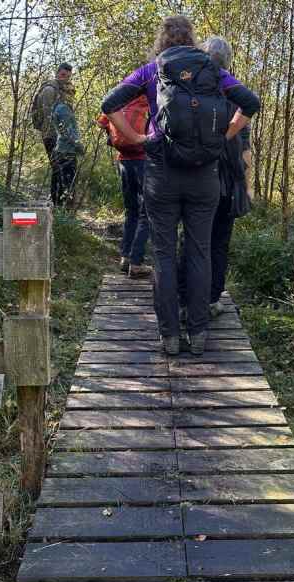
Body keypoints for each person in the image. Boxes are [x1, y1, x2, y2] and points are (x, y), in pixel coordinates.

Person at [101, 16, 260, 356]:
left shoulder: (151, 71)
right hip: (204, 176)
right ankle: (198, 333)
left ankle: (170, 336)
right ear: (192, 39)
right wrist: (224, 136)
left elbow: (109, 104)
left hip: (161, 174)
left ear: (161, 40)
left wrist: (138, 139)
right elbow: (251, 103)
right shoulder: (213, 70)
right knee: (200, 252)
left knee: (163, 253)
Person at [179, 36, 252, 319]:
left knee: (191, 240)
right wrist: (246, 187)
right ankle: (210, 300)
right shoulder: (237, 93)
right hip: (227, 182)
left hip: (196, 177)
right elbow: (245, 148)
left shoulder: (191, 88)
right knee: (219, 242)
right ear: (228, 62)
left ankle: (184, 300)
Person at [97, 95, 152, 279]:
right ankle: (136, 262)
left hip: (124, 161)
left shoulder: (119, 99)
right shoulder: (150, 100)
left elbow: (102, 122)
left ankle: (125, 256)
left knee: (131, 211)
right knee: (147, 212)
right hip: (144, 160)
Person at [30, 63, 74, 204]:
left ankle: (62, 202)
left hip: (63, 136)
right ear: (57, 73)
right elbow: (49, 116)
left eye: (68, 76)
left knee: (67, 167)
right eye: (63, 75)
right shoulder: (49, 90)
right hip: (52, 135)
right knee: (58, 168)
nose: (65, 78)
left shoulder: (64, 91)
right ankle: (57, 203)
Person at [51, 85, 84, 208]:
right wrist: (78, 145)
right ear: (62, 94)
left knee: (61, 181)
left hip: (62, 150)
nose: (71, 95)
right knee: (66, 183)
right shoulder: (63, 109)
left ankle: (60, 208)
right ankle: (64, 210)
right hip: (66, 151)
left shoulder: (60, 107)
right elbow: (67, 131)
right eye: (69, 92)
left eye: (73, 93)